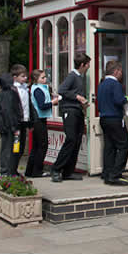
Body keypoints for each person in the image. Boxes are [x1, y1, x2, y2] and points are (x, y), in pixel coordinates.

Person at [51, 53, 91, 183]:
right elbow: (62, 90)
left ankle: (68, 171)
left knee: (77, 140)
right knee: (71, 139)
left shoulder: (79, 77)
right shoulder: (72, 76)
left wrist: (83, 104)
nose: (89, 67)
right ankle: (56, 169)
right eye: (87, 64)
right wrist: (77, 97)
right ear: (82, 65)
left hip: (77, 111)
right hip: (69, 111)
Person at [97, 60, 128, 186]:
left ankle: (107, 172)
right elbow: (118, 100)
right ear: (116, 71)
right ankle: (115, 175)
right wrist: (126, 98)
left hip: (104, 118)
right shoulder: (115, 84)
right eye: (120, 71)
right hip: (114, 118)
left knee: (109, 147)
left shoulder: (102, 84)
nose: (121, 74)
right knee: (124, 145)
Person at [26, 69, 58, 177]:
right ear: (36, 79)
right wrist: (53, 102)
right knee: (42, 145)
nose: (45, 79)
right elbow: (42, 106)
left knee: (36, 146)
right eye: (42, 78)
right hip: (39, 119)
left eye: (45, 77)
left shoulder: (39, 88)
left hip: (38, 119)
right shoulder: (38, 90)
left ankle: (30, 170)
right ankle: (37, 170)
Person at [0, 66, 24, 176]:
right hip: (9, 127)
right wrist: (14, 127)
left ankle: (9, 170)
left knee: (10, 149)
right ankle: (7, 171)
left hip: (6, 126)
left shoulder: (4, 94)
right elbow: (9, 112)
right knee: (9, 150)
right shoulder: (9, 94)